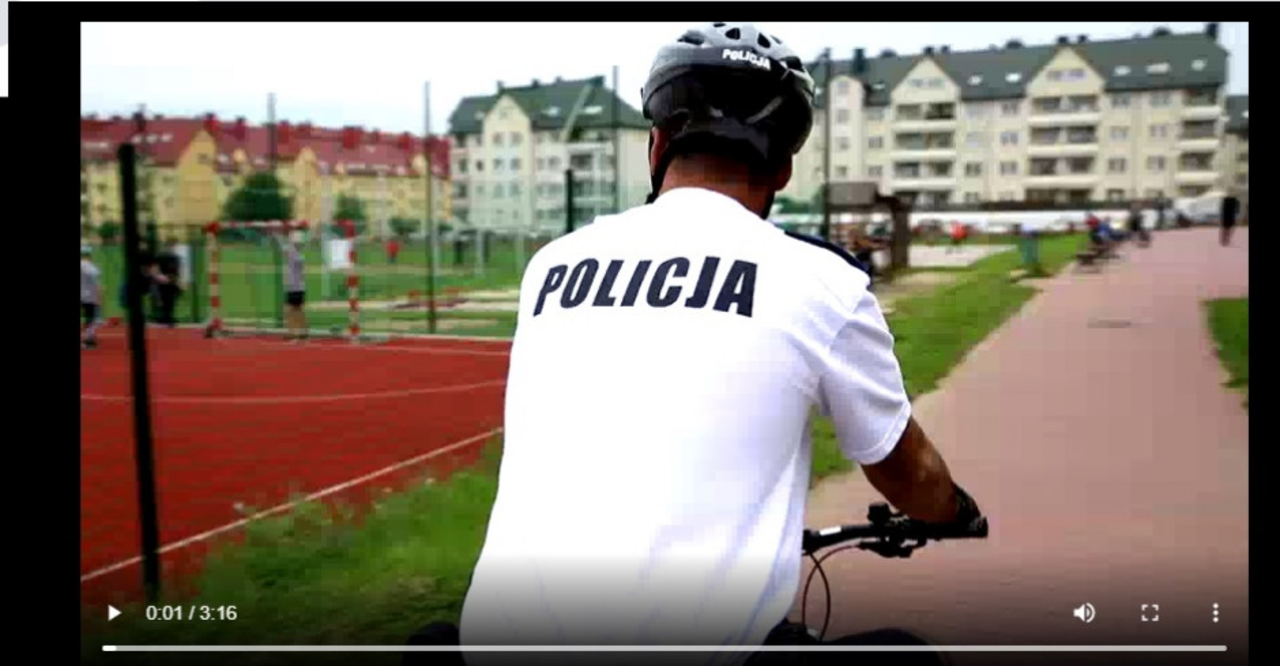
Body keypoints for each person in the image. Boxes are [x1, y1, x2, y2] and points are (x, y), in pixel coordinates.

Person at [407, 23, 986, 666]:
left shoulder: (553, 263)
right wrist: (954, 511)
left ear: (658, 145)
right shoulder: (824, 284)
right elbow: (907, 470)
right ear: (784, 168)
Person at [280, 230, 309, 341]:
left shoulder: (292, 253)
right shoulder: (301, 255)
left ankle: (292, 333)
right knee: (299, 310)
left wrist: (281, 233)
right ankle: (303, 332)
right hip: (300, 287)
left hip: (293, 287)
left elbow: (284, 248)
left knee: (290, 311)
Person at [154, 238, 183, 326]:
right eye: (173, 246)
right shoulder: (160, 256)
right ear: (168, 246)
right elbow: (156, 268)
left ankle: (168, 316)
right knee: (164, 298)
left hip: (172, 280)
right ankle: (165, 317)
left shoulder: (176, 257)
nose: (174, 248)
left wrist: (178, 281)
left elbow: (177, 270)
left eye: (175, 246)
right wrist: (160, 276)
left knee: (171, 299)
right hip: (163, 280)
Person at [81, 245, 104, 349]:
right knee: (90, 317)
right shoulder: (92, 267)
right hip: (89, 295)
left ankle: (89, 339)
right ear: (89, 256)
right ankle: (89, 340)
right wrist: (99, 297)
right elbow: (97, 284)